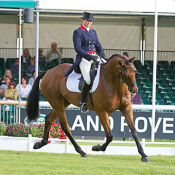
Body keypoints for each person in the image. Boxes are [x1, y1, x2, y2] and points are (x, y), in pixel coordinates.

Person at [64, 12, 106, 113]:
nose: (88, 23)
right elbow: (78, 49)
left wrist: (102, 53)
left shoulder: (93, 32)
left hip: (95, 57)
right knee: (88, 79)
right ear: (83, 20)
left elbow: (98, 45)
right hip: (84, 58)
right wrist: (90, 57)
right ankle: (82, 102)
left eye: (90, 21)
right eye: (87, 21)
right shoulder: (78, 32)